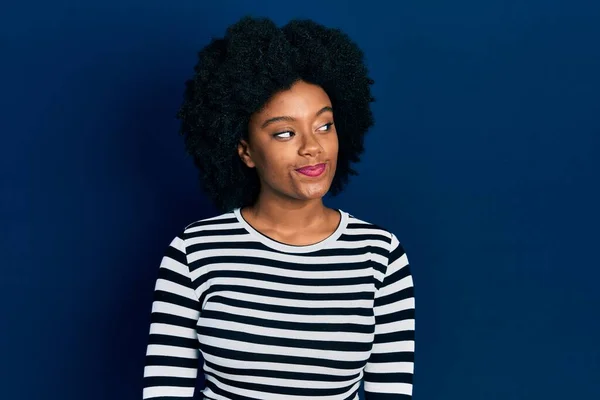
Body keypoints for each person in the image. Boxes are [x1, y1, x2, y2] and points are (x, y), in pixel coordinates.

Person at [142, 16, 416, 400]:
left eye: (324, 126)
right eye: (284, 132)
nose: (311, 147)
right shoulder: (194, 252)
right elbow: (163, 391)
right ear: (245, 150)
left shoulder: (380, 255)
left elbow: (392, 394)